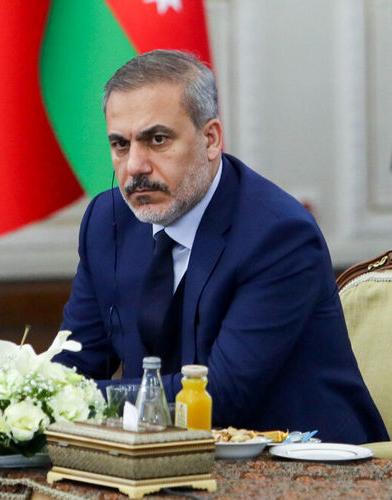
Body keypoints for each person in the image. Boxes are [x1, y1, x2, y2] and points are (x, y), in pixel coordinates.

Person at [54, 50, 388, 445]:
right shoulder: (106, 222)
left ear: (210, 139)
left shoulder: (279, 235)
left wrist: (75, 399)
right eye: (120, 145)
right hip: (166, 456)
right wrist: (25, 395)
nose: (135, 166)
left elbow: (221, 396)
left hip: (306, 461)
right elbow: (72, 360)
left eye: (157, 140)